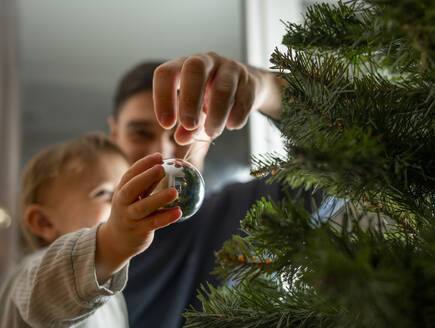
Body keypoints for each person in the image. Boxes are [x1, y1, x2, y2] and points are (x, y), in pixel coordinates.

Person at [109, 52, 297, 328]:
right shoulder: (86, 245)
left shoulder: (252, 211)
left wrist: (267, 88)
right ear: (115, 136)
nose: (162, 153)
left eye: (179, 130)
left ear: (206, 135)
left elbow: (351, 162)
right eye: (140, 133)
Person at [0, 133, 182, 327]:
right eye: (104, 193)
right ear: (44, 222)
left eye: (125, 190)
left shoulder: (111, 294)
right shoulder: (29, 276)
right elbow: (46, 295)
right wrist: (112, 242)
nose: (122, 203)